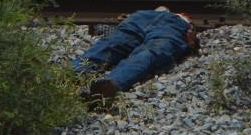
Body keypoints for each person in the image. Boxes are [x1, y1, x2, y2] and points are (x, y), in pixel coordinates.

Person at [72, 7, 200, 102]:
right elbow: (190, 42)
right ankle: (109, 84)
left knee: (112, 45)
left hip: (143, 17)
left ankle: (73, 73)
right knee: (148, 53)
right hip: (171, 24)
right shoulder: (185, 22)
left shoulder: (163, 14)